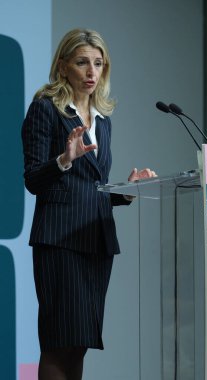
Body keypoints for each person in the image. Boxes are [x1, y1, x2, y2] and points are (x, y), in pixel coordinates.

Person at [21, 28, 156, 380]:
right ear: (64, 66)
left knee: (79, 342)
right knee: (59, 342)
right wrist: (63, 160)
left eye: (98, 63)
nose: (91, 71)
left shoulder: (103, 120)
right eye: (82, 62)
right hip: (60, 241)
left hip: (96, 242)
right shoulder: (44, 110)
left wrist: (125, 191)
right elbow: (34, 179)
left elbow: (92, 188)